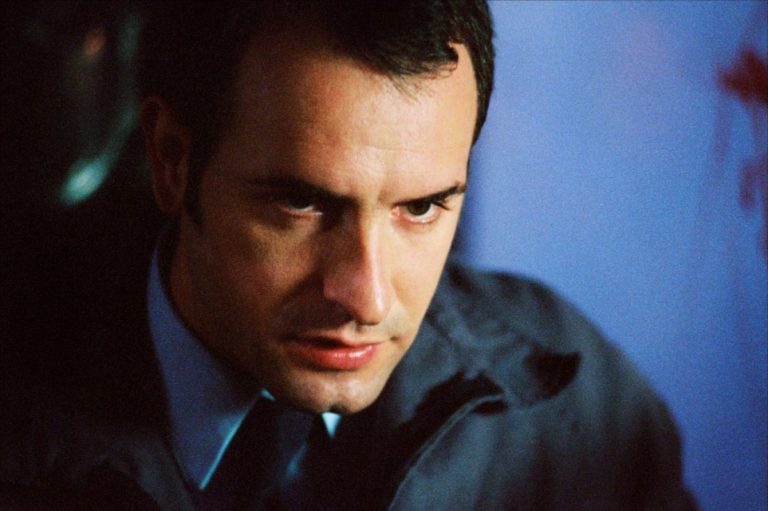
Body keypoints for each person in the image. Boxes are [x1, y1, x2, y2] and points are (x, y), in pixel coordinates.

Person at [0, 1, 696, 509]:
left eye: (421, 208)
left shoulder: (574, 406)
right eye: (301, 204)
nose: (367, 298)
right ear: (172, 159)